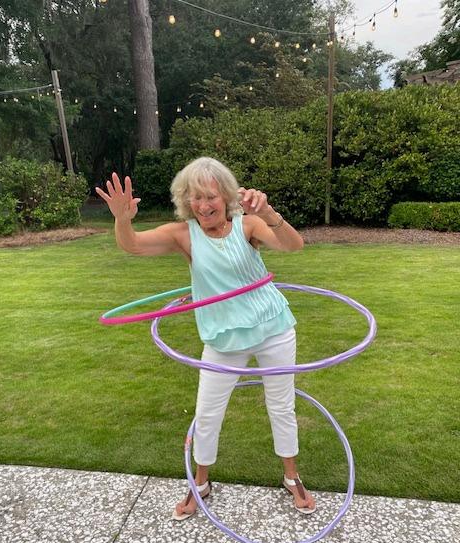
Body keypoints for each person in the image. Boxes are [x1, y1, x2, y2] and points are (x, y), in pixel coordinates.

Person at [96, 157, 316, 520]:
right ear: (187, 200)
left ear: (226, 196)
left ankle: (292, 477)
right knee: (208, 412)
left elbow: (293, 246)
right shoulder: (183, 235)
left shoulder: (249, 224)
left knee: (281, 406)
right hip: (222, 338)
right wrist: (121, 218)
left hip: (273, 329)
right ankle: (200, 483)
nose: (203, 205)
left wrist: (269, 212)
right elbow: (132, 245)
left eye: (210, 196)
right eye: (195, 197)